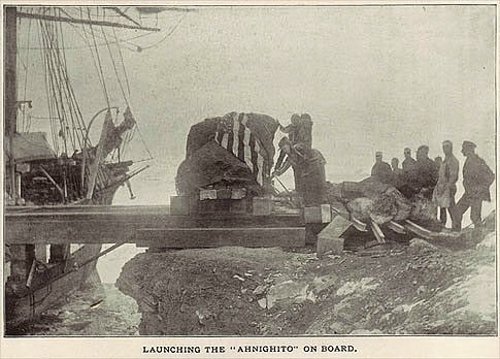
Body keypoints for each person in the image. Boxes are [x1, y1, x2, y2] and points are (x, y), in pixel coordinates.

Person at [452, 141, 494, 230]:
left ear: (469, 150)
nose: (462, 151)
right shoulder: (469, 160)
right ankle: (456, 233)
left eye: (464, 149)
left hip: (476, 195)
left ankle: (478, 236)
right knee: (457, 211)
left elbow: (491, 176)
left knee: (475, 217)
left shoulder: (478, 161)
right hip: (469, 193)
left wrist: (480, 188)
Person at [272, 138, 327, 206]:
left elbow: (308, 154)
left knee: (318, 183)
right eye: (283, 150)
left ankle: (320, 202)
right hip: (310, 166)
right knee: (306, 182)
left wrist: (305, 171)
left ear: (289, 145)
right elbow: (286, 165)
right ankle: (310, 202)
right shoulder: (290, 156)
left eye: (285, 148)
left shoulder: (298, 147)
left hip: (317, 161)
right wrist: (278, 172)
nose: (285, 151)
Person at [432, 141, 459, 226]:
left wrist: (448, 186)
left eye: (447, 147)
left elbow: (453, 176)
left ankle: (456, 227)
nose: (445, 149)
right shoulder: (445, 160)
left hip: (448, 187)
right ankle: (442, 225)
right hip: (441, 187)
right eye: (444, 147)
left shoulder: (453, 160)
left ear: (451, 147)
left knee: (451, 207)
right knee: (442, 207)